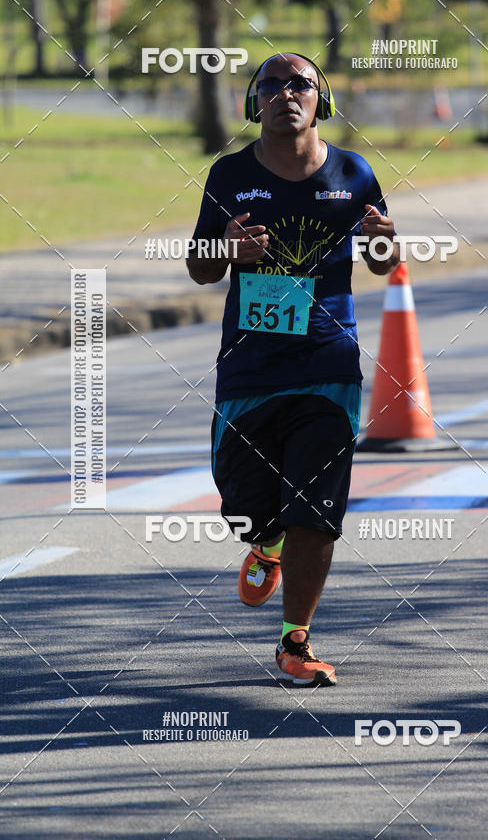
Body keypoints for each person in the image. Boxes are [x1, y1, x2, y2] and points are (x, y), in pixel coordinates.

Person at [187, 52, 398, 687]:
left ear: (320, 100)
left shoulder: (354, 173)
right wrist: (228, 248)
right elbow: (199, 266)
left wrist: (385, 240)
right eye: (271, 85)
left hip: (328, 364)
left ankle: (295, 640)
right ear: (255, 103)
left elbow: (382, 259)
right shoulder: (229, 175)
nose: (285, 94)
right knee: (246, 503)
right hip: (250, 366)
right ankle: (265, 542)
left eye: (299, 83)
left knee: (315, 508)